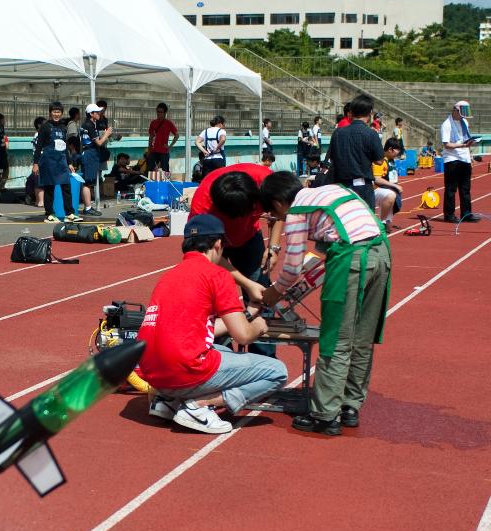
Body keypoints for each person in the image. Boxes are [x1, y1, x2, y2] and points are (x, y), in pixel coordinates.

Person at [259, 170, 391, 436]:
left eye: (275, 216)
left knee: (336, 338)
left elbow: (293, 267)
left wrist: (274, 292)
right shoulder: (333, 191)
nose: (280, 220)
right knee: (362, 337)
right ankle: (349, 406)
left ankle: (325, 415)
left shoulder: (297, 211)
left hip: (351, 259)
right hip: (382, 252)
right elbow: (320, 251)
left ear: (276, 204)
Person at [135, 213, 286, 435]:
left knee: (221, 349)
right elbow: (243, 336)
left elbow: (197, 329)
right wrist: (259, 326)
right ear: (217, 245)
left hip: (151, 371)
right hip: (184, 371)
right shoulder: (217, 275)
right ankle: (202, 405)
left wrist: (247, 313)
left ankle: (167, 399)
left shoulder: (168, 276)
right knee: (277, 371)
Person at [188, 162, 277, 307]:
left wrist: (274, 246)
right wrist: (247, 284)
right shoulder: (202, 208)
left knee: (259, 283)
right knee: (214, 291)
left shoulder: (263, 178)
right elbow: (208, 255)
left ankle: (264, 321)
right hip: (217, 242)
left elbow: (279, 206)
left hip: (249, 237)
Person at [328, 94, 383, 207]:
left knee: (344, 221)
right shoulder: (371, 134)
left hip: (340, 187)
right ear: (370, 113)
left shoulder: (338, 133)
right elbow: (379, 160)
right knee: (365, 220)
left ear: (351, 112)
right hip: (362, 186)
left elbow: (332, 157)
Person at [33, 102, 78, 223]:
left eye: (58, 112)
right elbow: (39, 146)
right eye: (54, 111)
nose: (56, 114)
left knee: (66, 186)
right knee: (49, 188)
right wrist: (35, 163)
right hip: (48, 161)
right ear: (50, 113)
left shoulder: (63, 127)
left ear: (62, 113)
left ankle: (70, 213)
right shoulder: (45, 127)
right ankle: (49, 214)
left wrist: (69, 163)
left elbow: (66, 147)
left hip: (61, 161)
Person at [439, 100, 478, 224]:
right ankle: (449, 215)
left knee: (465, 189)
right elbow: (446, 144)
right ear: (455, 110)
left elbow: (466, 140)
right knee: (451, 189)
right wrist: (462, 146)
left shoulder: (464, 122)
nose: (463, 116)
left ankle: (466, 214)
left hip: (464, 159)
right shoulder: (446, 124)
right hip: (452, 160)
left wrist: (470, 154)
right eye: (462, 112)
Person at [77, 102, 110, 217]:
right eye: (97, 112)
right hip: (90, 154)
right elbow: (99, 143)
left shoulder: (87, 124)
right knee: (88, 182)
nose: (99, 113)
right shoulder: (90, 125)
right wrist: (107, 134)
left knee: (89, 182)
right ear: (91, 114)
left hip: (88, 153)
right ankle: (88, 207)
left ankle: (88, 206)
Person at [371, 138, 404, 229]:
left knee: (393, 194)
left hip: (385, 188)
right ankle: (382, 222)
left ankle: (387, 221)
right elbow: (376, 179)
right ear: (390, 149)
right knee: (390, 195)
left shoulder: (391, 160)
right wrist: (394, 185)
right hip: (374, 189)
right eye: (397, 151)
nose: (398, 153)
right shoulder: (380, 161)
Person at [147, 102, 178, 182]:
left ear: (165, 113)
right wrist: (149, 149)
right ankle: (152, 186)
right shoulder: (153, 123)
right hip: (153, 151)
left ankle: (166, 187)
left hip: (164, 151)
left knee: (165, 171)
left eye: (160, 112)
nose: (158, 114)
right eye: (157, 111)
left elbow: (177, 135)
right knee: (151, 170)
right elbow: (151, 136)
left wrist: (170, 146)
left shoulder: (168, 123)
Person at [27, 115, 45, 208]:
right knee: (40, 181)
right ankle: (41, 201)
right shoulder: (40, 135)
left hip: (37, 159)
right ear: (39, 125)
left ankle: (38, 200)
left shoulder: (36, 135)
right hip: (41, 159)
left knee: (36, 179)